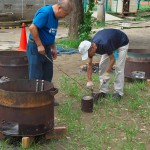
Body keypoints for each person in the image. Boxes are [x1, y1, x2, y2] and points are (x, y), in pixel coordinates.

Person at [27, 0, 72, 105]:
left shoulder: (56, 17)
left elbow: (51, 33)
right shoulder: (46, 13)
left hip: (46, 48)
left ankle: (47, 99)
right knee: (36, 76)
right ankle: (35, 102)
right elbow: (32, 28)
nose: (64, 16)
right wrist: (39, 45)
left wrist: (53, 48)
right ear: (59, 8)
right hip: (35, 48)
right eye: (64, 14)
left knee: (48, 74)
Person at [78, 29, 129, 100]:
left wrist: (107, 72)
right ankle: (103, 91)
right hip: (110, 43)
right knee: (102, 65)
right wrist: (89, 80)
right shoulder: (91, 47)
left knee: (119, 67)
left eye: (87, 54)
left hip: (121, 42)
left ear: (92, 48)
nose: (88, 56)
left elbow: (112, 59)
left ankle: (118, 92)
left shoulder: (104, 44)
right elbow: (89, 64)